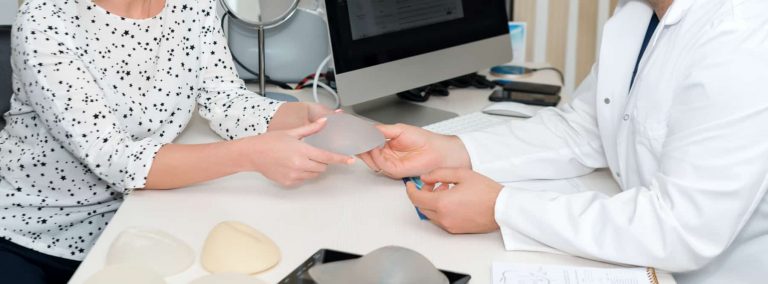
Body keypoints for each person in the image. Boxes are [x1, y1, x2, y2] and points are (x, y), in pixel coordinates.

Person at [360, 0, 768, 283]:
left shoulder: (745, 36)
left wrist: (502, 208)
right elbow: (583, 126)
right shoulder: (638, 13)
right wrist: (451, 149)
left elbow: (681, 227)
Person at [0, 0, 353, 282]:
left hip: (137, 221)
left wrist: (306, 117)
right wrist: (253, 155)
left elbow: (224, 99)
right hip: (32, 236)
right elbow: (116, 158)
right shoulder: (46, 18)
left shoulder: (192, 5)